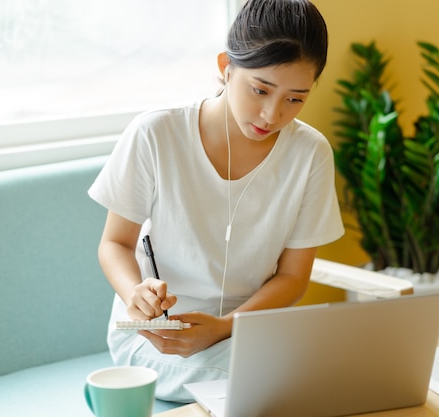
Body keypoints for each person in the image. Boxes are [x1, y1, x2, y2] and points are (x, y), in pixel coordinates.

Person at [88, 0, 344, 402]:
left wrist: (224, 326)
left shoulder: (310, 153)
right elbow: (114, 245)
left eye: (295, 99)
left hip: (249, 332)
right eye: (260, 89)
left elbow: (293, 277)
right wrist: (134, 293)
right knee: (284, 383)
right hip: (159, 335)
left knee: (332, 368)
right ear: (226, 67)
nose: (272, 114)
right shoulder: (156, 134)